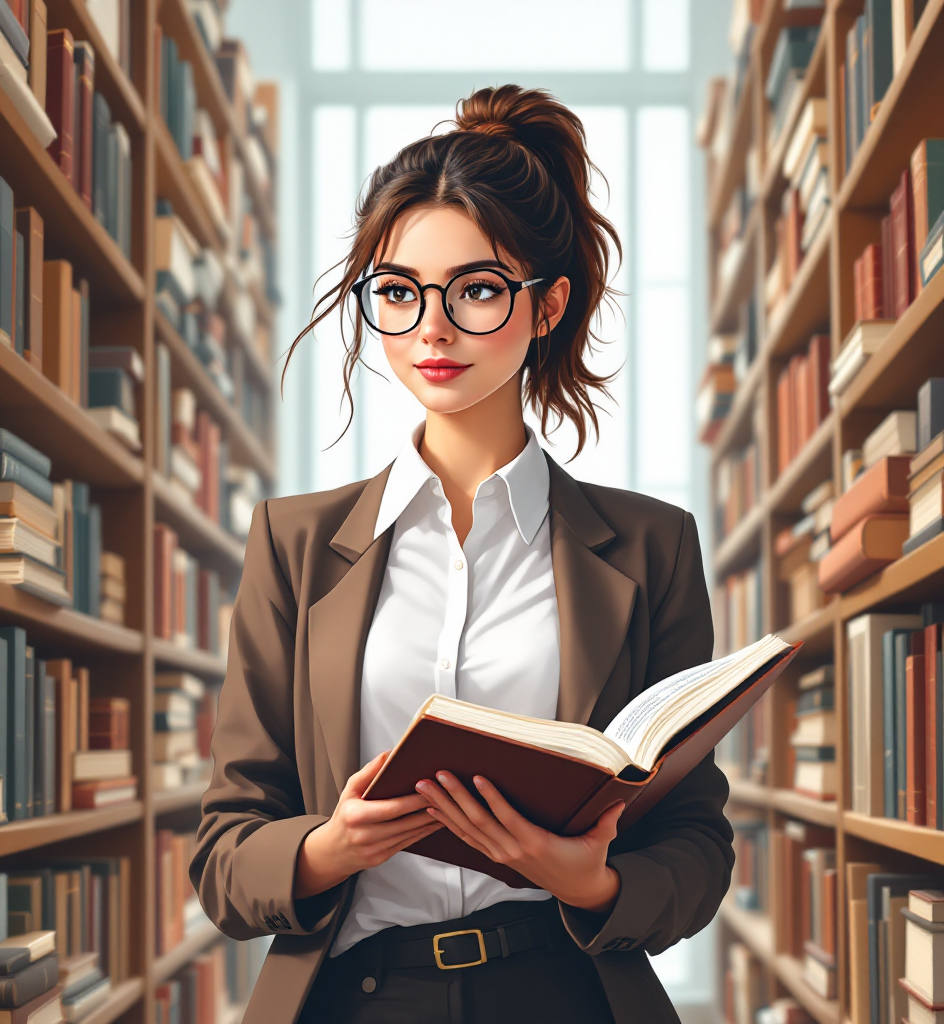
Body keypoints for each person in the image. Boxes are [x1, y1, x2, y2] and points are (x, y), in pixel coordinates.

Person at [190, 84, 733, 1024]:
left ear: (547, 304)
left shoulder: (652, 546)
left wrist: (592, 884)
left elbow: (696, 846)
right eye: (398, 293)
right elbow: (224, 855)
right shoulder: (296, 545)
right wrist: (332, 846)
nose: (431, 328)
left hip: (564, 991)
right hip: (355, 997)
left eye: (477, 290)